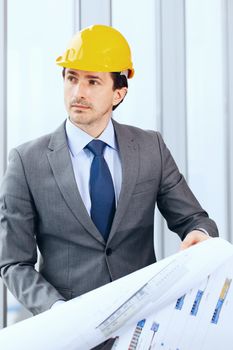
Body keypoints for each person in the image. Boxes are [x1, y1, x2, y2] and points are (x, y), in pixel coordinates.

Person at [0, 24, 218, 326]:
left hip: (144, 323)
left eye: (93, 82)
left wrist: (199, 235)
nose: (78, 92)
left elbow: (194, 219)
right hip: (66, 329)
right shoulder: (26, 162)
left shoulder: (150, 147)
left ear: (119, 92)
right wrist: (56, 311)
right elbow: (14, 263)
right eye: (72, 78)